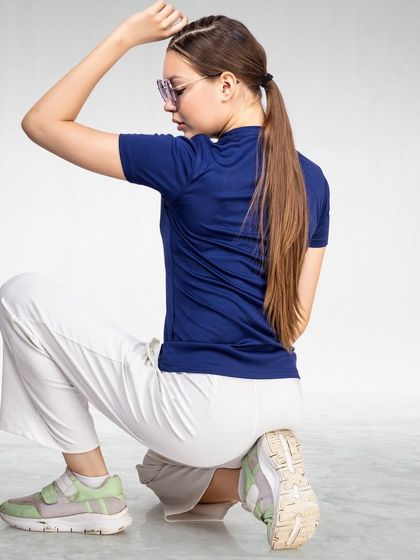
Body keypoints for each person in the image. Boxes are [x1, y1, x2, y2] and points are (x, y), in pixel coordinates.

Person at [0, 1, 329, 550]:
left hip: (201, 405)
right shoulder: (311, 178)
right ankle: (254, 475)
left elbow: (42, 123)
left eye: (176, 88)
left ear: (227, 85)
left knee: (21, 297)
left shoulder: (189, 162)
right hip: (281, 397)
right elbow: (294, 321)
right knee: (162, 475)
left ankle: (88, 487)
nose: (169, 105)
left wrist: (124, 37)